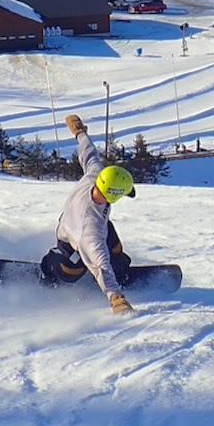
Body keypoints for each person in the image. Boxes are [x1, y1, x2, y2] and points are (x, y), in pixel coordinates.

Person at [39, 114, 137, 315]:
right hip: (71, 238)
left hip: (100, 225)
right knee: (71, 271)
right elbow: (99, 263)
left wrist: (80, 133)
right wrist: (115, 296)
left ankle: (117, 270)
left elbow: (89, 154)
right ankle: (49, 267)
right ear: (114, 195)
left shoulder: (97, 175)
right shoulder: (88, 228)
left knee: (116, 252)